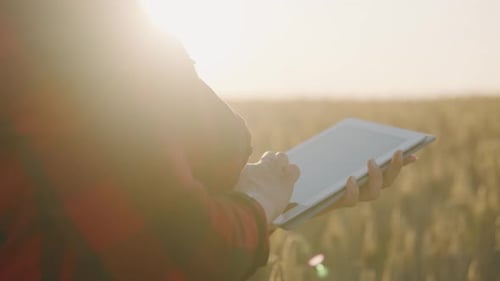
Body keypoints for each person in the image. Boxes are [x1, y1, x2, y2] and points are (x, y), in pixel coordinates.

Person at [0, 1, 416, 280]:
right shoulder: (66, 30)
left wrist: (273, 197)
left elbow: (127, 188)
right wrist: (256, 205)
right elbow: (178, 251)